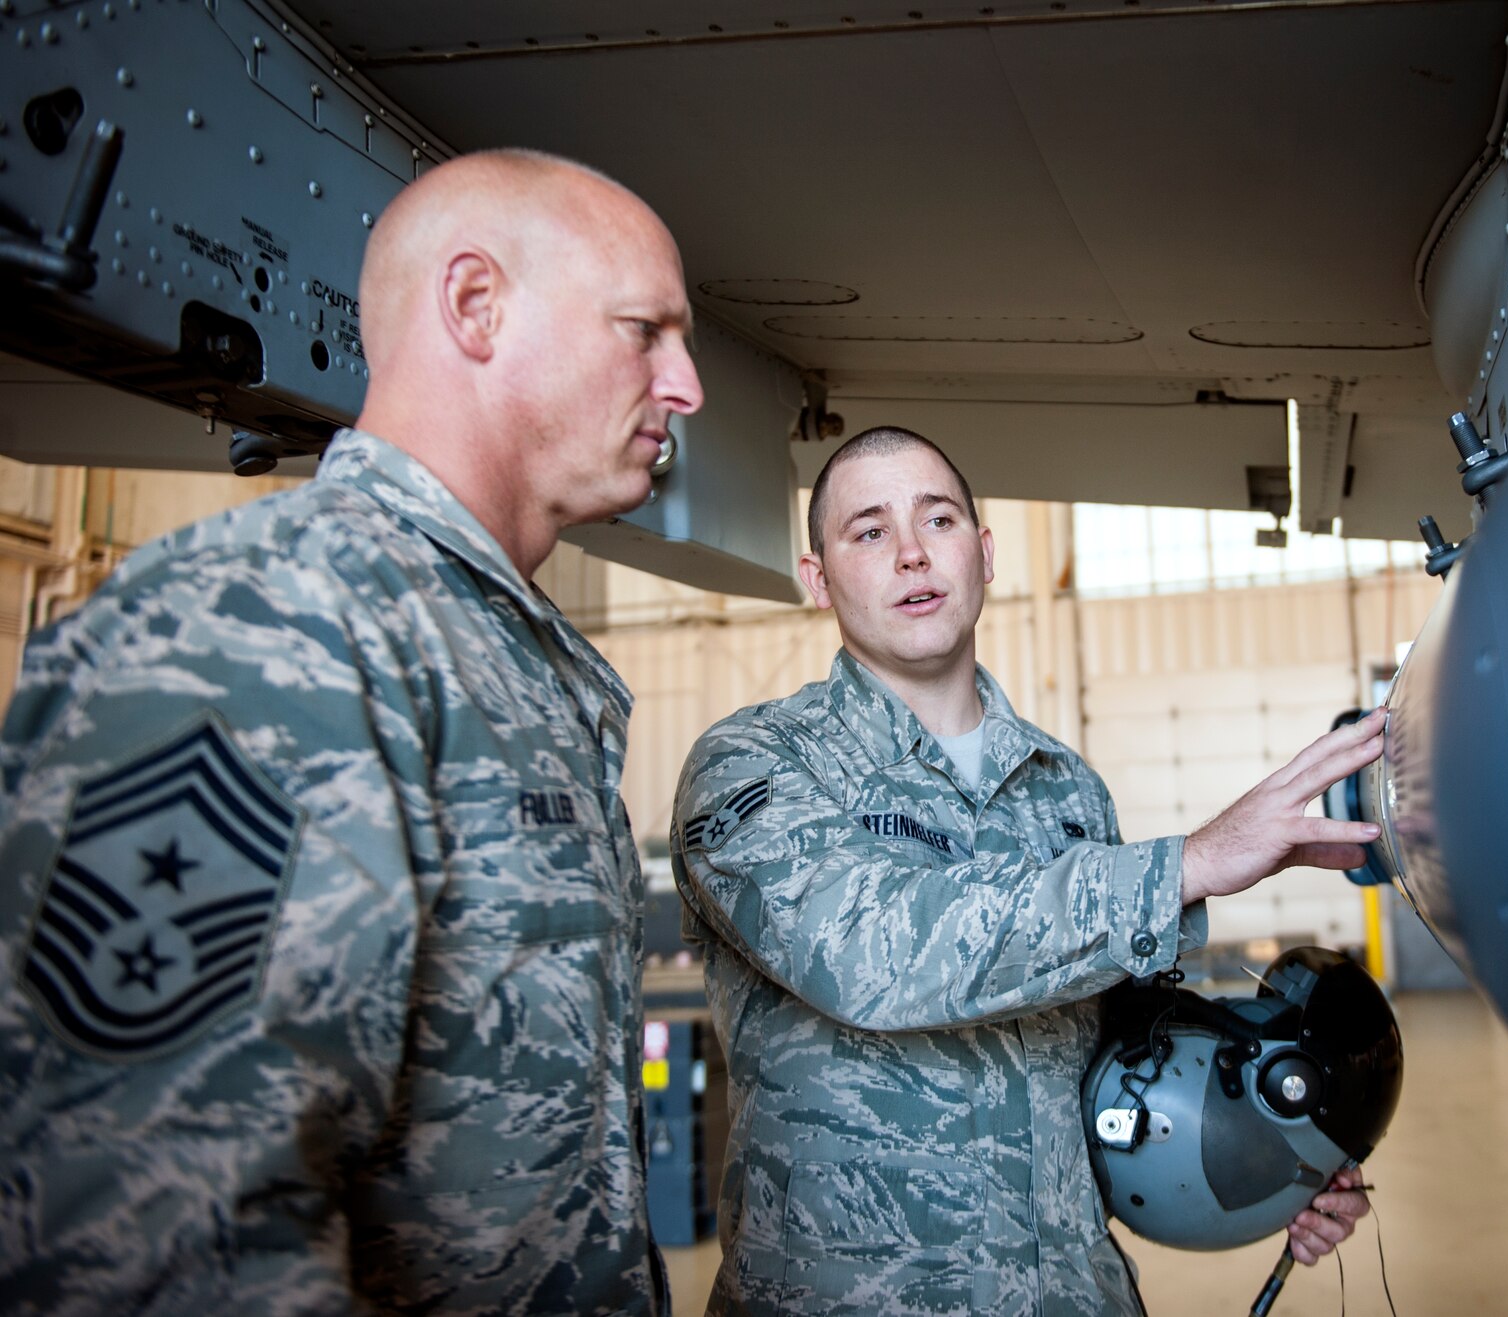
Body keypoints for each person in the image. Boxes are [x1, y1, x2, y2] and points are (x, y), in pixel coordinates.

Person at [0, 149, 702, 1313]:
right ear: (475, 308)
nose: (682, 385)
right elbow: (151, 1235)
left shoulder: (501, 654)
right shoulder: (265, 623)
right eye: (645, 331)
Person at [672, 427, 1387, 1316]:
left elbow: (1122, 1058)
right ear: (818, 579)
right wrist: (1189, 864)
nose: (910, 553)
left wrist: (1278, 1149)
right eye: (867, 531)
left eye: (938, 519)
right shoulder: (755, 762)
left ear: (984, 551)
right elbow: (866, 951)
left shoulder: (1067, 791)